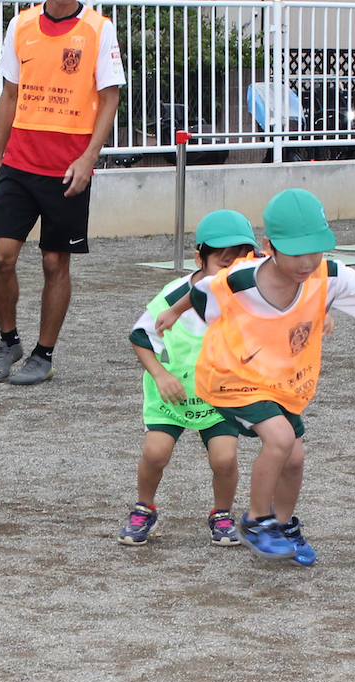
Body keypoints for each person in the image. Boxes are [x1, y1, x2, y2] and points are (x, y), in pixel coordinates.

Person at [157, 189, 355, 566]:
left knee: (295, 457)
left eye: (316, 250)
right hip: (231, 377)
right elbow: (201, 288)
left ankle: (283, 527)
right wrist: (173, 312)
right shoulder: (242, 279)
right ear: (269, 246)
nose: (307, 262)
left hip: (282, 381)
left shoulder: (327, 275)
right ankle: (255, 520)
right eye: (297, 252)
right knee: (281, 438)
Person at [0, 0, 126, 385]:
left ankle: (42, 355)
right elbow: (10, 95)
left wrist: (88, 159)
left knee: (54, 262)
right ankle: (8, 341)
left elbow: (110, 98)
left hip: (67, 167)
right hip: (18, 161)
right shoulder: (21, 24)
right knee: (0, 257)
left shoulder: (99, 28)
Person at [119, 211, 259, 547]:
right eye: (223, 264)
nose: (230, 273)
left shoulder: (249, 295)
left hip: (220, 396)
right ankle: (144, 508)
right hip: (172, 395)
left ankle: (222, 515)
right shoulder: (173, 295)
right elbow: (140, 337)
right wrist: (160, 374)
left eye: (239, 265)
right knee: (155, 454)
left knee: (224, 459)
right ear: (199, 257)